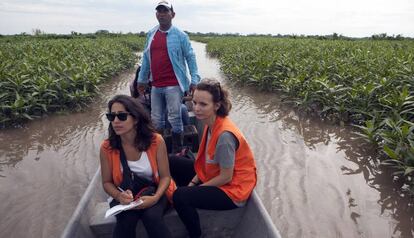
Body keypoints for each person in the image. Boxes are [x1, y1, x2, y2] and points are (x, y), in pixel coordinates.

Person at [169, 79, 257, 238]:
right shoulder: (210, 124)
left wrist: (195, 189)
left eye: (203, 104)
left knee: (180, 196)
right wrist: (194, 181)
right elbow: (205, 161)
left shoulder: (224, 136)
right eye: (194, 102)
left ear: (216, 105)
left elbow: (226, 177)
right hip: (215, 175)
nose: (196, 108)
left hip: (232, 190)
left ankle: (195, 234)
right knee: (172, 161)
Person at [99, 95, 176, 238]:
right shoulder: (107, 147)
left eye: (121, 116)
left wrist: (155, 198)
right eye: (111, 116)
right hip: (125, 196)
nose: (115, 121)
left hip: (155, 190)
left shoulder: (156, 141)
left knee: (152, 217)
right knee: (125, 221)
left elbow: (165, 177)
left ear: (135, 119)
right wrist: (118, 196)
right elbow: (107, 182)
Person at [137, 0, 200, 153]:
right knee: (156, 119)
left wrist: (194, 80)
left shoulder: (180, 35)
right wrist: (142, 80)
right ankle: (159, 150)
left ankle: (177, 149)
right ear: (156, 14)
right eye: (159, 11)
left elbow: (190, 57)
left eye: (165, 11)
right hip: (156, 85)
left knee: (174, 117)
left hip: (174, 84)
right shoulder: (151, 34)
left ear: (172, 14)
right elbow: (146, 59)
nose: (162, 14)